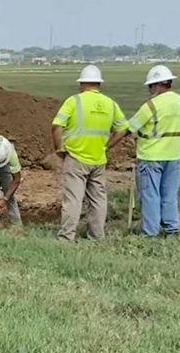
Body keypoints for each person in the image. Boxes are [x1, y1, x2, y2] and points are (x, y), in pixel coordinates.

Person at [51, 64, 129, 241]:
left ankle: (66, 237)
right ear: (99, 84)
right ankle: (97, 236)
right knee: (98, 200)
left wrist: (59, 149)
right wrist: (107, 146)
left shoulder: (74, 101)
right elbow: (123, 129)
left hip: (76, 157)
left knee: (73, 199)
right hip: (99, 159)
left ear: (82, 83)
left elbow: (56, 126)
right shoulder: (110, 104)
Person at [128, 64, 180, 237]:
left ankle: (150, 232)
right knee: (170, 195)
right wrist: (175, 148)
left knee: (150, 196)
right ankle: (172, 230)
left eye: (150, 86)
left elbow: (130, 128)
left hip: (150, 158)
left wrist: (108, 145)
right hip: (173, 156)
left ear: (156, 85)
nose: (150, 90)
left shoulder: (151, 105)